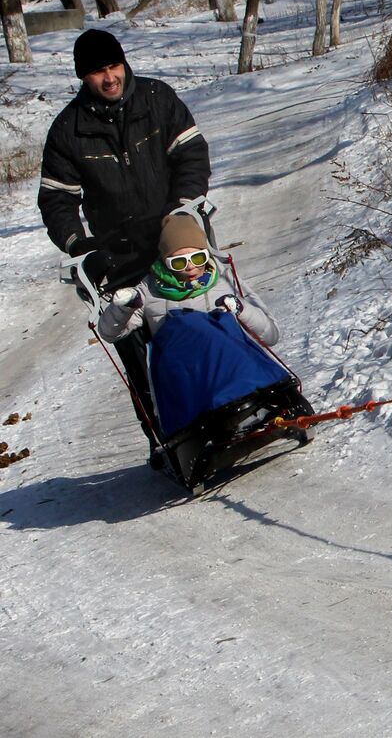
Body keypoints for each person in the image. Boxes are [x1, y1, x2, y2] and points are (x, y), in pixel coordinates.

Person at [39, 28, 211, 465]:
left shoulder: (157, 98)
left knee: (199, 325)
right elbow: (57, 200)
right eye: (98, 71)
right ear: (84, 77)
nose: (110, 77)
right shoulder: (68, 130)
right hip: (117, 260)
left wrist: (181, 211)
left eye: (114, 66)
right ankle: (164, 438)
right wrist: (81, 246)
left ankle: (223, 405)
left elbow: (191, 156)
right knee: (137, 352)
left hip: (172, 243)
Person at [99, 214, 283, 462]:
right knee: (187, 328)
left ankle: (253, 405)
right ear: (165, 260)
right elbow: (110, 333)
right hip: (187, 374)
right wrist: (123, 307)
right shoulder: (147, 291)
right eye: (178, 262)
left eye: (198, 258)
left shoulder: (225, 279)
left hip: (233, 364)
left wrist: (241, 309)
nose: (190, 268)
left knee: (217, 331)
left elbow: (270, 334)